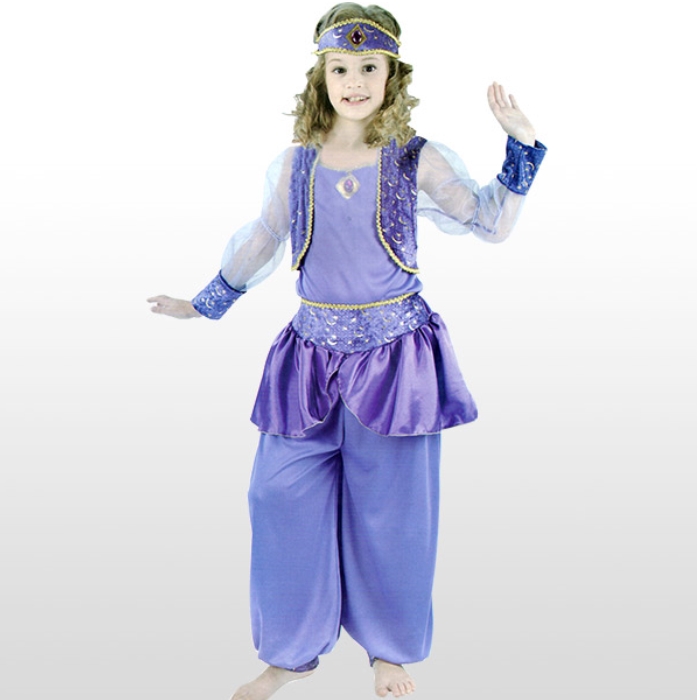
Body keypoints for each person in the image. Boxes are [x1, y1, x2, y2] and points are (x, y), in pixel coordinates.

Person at [148, 4, 546, 698]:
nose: (354, 82)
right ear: (321, 76)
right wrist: (206, 301)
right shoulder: (298, 162)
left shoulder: (415, 159)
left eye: (368, 67)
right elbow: (264, 237)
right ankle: (289, 653)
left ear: (392, 76)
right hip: (309, 357)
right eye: (340, 69)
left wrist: (522, 148)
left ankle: (389, 653)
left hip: (394, 360)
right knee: (278, 496)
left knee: (392, 511)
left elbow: (487, 222)